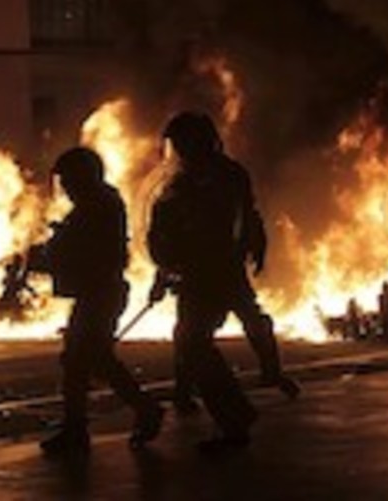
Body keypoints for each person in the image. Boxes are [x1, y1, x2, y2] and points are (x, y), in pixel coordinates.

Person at [32, 147, 164, 456]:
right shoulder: (98, 203)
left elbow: (85, 250)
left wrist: (51, 254)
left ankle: (129, 414)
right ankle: (89, 424)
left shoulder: (97, 206)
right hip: (96, 293)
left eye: (68, 180)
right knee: (89, 361)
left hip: (100, 293)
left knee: (83, 360)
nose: (65, 187)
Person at [147, 111, 258, 451]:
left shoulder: (218, 177)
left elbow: (226, 224)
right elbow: (171, 231)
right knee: (191, 341)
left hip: (212, 273)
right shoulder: (194, 178)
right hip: (198, 273)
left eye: (182, 142)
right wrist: (164, 270)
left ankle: (233, 420)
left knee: (193, 343)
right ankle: (233, 413)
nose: (178, 150)